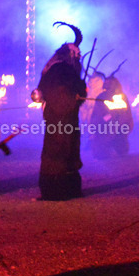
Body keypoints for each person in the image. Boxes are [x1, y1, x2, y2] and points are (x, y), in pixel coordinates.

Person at [37, 22, 87, 200]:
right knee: (59, 153)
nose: (79, 58)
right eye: (77, 55)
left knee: (65, 152)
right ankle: (58, 191)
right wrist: (79, 92)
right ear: (71, 54)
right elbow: (62, 93)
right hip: (60, 119)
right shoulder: (61, 69)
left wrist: (79, 91)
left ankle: (65, 190)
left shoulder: (57, 68)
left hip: (63, 119)